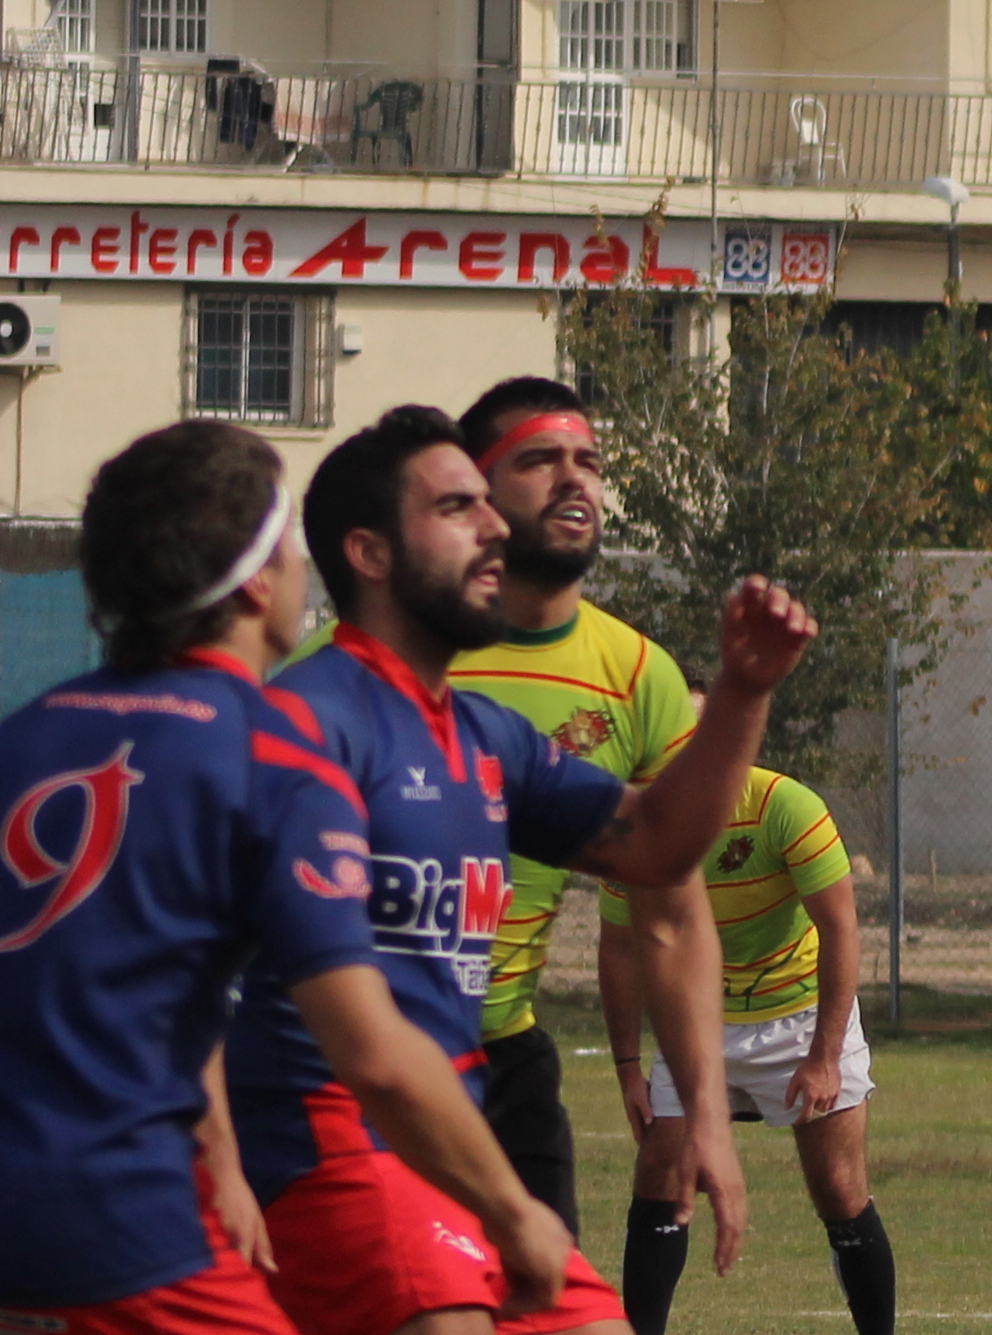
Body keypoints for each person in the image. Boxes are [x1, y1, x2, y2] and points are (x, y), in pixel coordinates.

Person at [235, 405, 812, 1335]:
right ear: (370, 554)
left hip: (453, 1127)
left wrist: (743, 694)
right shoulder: (310, 721)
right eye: (456, 507)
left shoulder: (481, 734)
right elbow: (354, 1043)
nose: (494, 527)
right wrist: (511, 1214)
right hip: (329, 1142)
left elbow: (658, 849)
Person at [4, 421, 575, 1335]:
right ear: (257, 581)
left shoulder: (23, 737)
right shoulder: (273, 751)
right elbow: (374, 1055)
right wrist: (515, 1215)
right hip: (130, 1235)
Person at [444, 380, 743, 1329]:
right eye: (540, 459)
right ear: (473, 492)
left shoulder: (637, 674)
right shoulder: (387, 658)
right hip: (351, 1062)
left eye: (590, 462)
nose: (575, 480)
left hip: (505, 1059)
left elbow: (671, 913)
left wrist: (706, 1115)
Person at [626, 763, 894, 1335]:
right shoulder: (641, 818)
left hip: (801, 1013)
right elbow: (619, 946)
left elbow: (840, 927)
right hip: (698, 1018)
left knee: (840, 1188)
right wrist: (628, 1067)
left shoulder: (784, 806)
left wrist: (824, 1057)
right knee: (661, 1171)